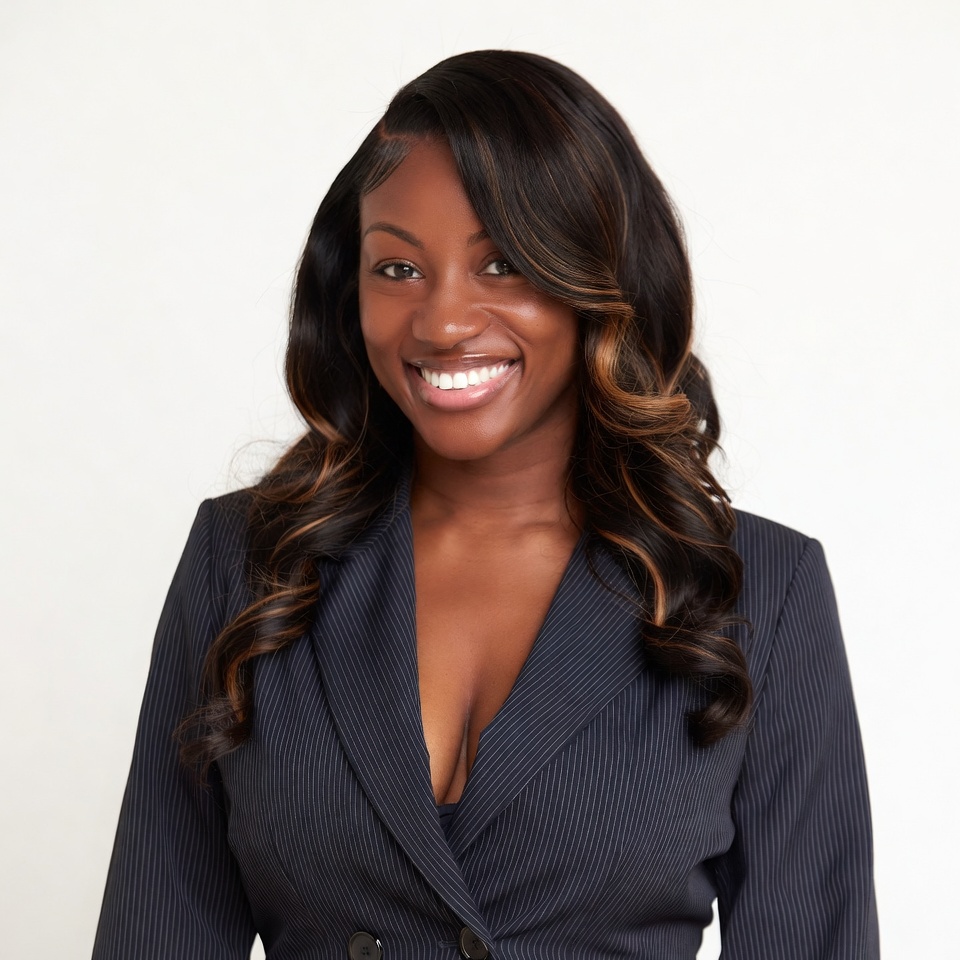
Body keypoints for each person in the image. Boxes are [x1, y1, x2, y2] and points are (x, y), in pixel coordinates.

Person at [92, 50, 879, 959]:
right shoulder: (246, 563)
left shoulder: (758, 593)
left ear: (601, 283)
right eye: (397, 270)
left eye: (502, 264)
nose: (442, 322)